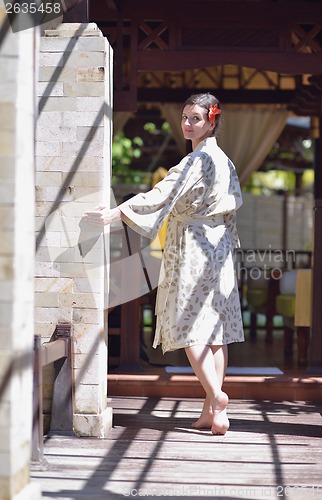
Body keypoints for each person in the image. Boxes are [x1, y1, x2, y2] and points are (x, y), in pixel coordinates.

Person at [83, 93, 244, 435]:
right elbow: (231, 210)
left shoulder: (195, 162)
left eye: (196, 118)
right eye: (185, 117)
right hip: (221, 246)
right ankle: (212, 412)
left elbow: (160, 194)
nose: (188, 123)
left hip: (194, 247)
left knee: (187, 324)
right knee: (215, 331)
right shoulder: (225, 161)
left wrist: (115, 213)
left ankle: (216, 396)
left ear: (212, 121)